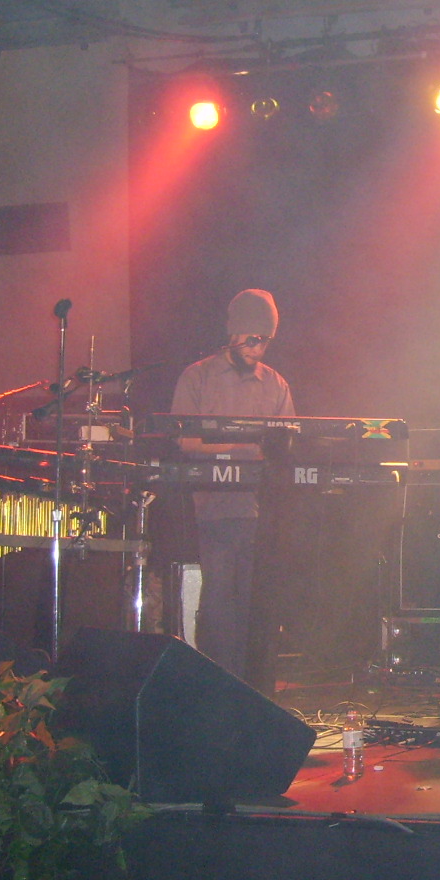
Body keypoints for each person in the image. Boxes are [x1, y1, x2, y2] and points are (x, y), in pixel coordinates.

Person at [170, 289, 294, 682]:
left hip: (261, 511)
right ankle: (218, 681)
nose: (258, 348)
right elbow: (186, 442)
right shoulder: (198, 376)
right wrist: (240, 447)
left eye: (266, 340)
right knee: (220, 597)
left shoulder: (275, 384)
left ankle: (253, 685)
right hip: (213, 505)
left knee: (256, 602)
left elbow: (286, 446)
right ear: (233, 333)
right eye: (252, 338)